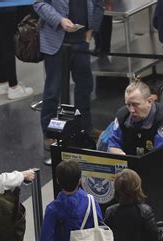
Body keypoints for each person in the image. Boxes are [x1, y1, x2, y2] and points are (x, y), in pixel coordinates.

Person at [34, 0, 104, 150]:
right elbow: (39, 3)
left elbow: (99, 4)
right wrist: (59, 20)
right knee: (53, 89)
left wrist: (92, 29)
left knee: (85, 86)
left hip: (81, 42)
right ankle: (49, 133)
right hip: (56, 43)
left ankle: (86, 127)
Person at [40, 160, 104, 241]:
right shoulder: (91, 201)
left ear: (57, 181)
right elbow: (100, 226)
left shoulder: (52, 209)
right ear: (80, 181)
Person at [104, 169, 163, 241]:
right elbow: (154, 237)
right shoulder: (144, 211)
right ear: (137, 188)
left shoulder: (110, 212)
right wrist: (162, 232)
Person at [107, 78, 163, 156]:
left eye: (135, 105)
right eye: (128, 104)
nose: (131, 110)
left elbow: (161, 157)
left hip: (162, 165)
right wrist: (123, 157)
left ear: (149, 101)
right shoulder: (122, 115)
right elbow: (113, 145)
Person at [0, 0, 34, 100]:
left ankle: (3, 82)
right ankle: (13, 87)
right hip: (5, 5)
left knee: (1, 39)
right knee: (7, 42)